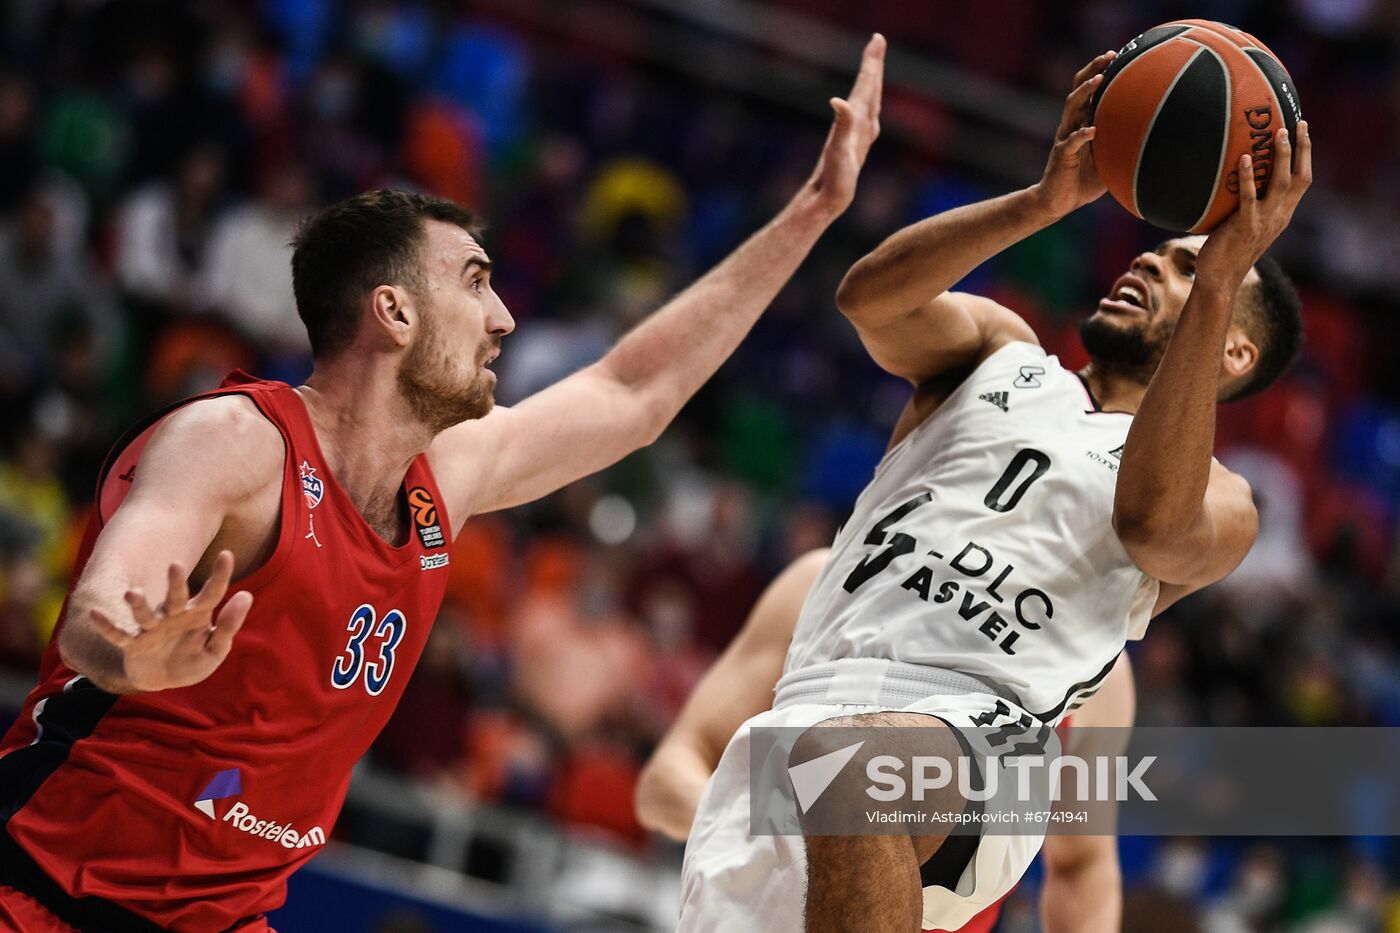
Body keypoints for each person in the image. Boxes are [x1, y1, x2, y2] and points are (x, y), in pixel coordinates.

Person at [0, 37, 887, 933]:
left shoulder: (447, 477)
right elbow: (95, 618)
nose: (503, 318)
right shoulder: (235, 443)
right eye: (476, 283)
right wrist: (132, 655)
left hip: (221, 919)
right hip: (47, 886)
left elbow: (633, 391)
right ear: (393, 311)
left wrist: (813, 211)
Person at [678, 49, 1311, 932]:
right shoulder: (999, 352)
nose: (1151, 267)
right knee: (830, 766)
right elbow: (871, 300)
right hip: (810, 706)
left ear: (1233, 350)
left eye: (1185, 270)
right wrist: (1042, 203)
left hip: (984, 732)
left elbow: (1151, 524)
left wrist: (1218, 278)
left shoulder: (1224, 496)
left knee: (851, 768)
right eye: (1160, 255)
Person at [636, 550, 1135, 933]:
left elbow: (1082, 866)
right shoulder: (825, 580)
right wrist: (804, 828)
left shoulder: (1094, 668)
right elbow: (665, 780)